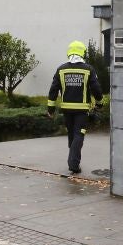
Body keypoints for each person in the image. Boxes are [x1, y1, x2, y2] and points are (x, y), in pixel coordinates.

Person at [47, 40, 103, 174]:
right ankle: (73, 163)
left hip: (66, 110)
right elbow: (96, 88)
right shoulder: (88, 69)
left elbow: (53, 90)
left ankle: (73, 157)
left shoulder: (61, 69)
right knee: (79, 134)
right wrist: (100, 103)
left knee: (72, 134)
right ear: (82, 52)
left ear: (69, 52)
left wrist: (50, 110)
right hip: (82, 111)